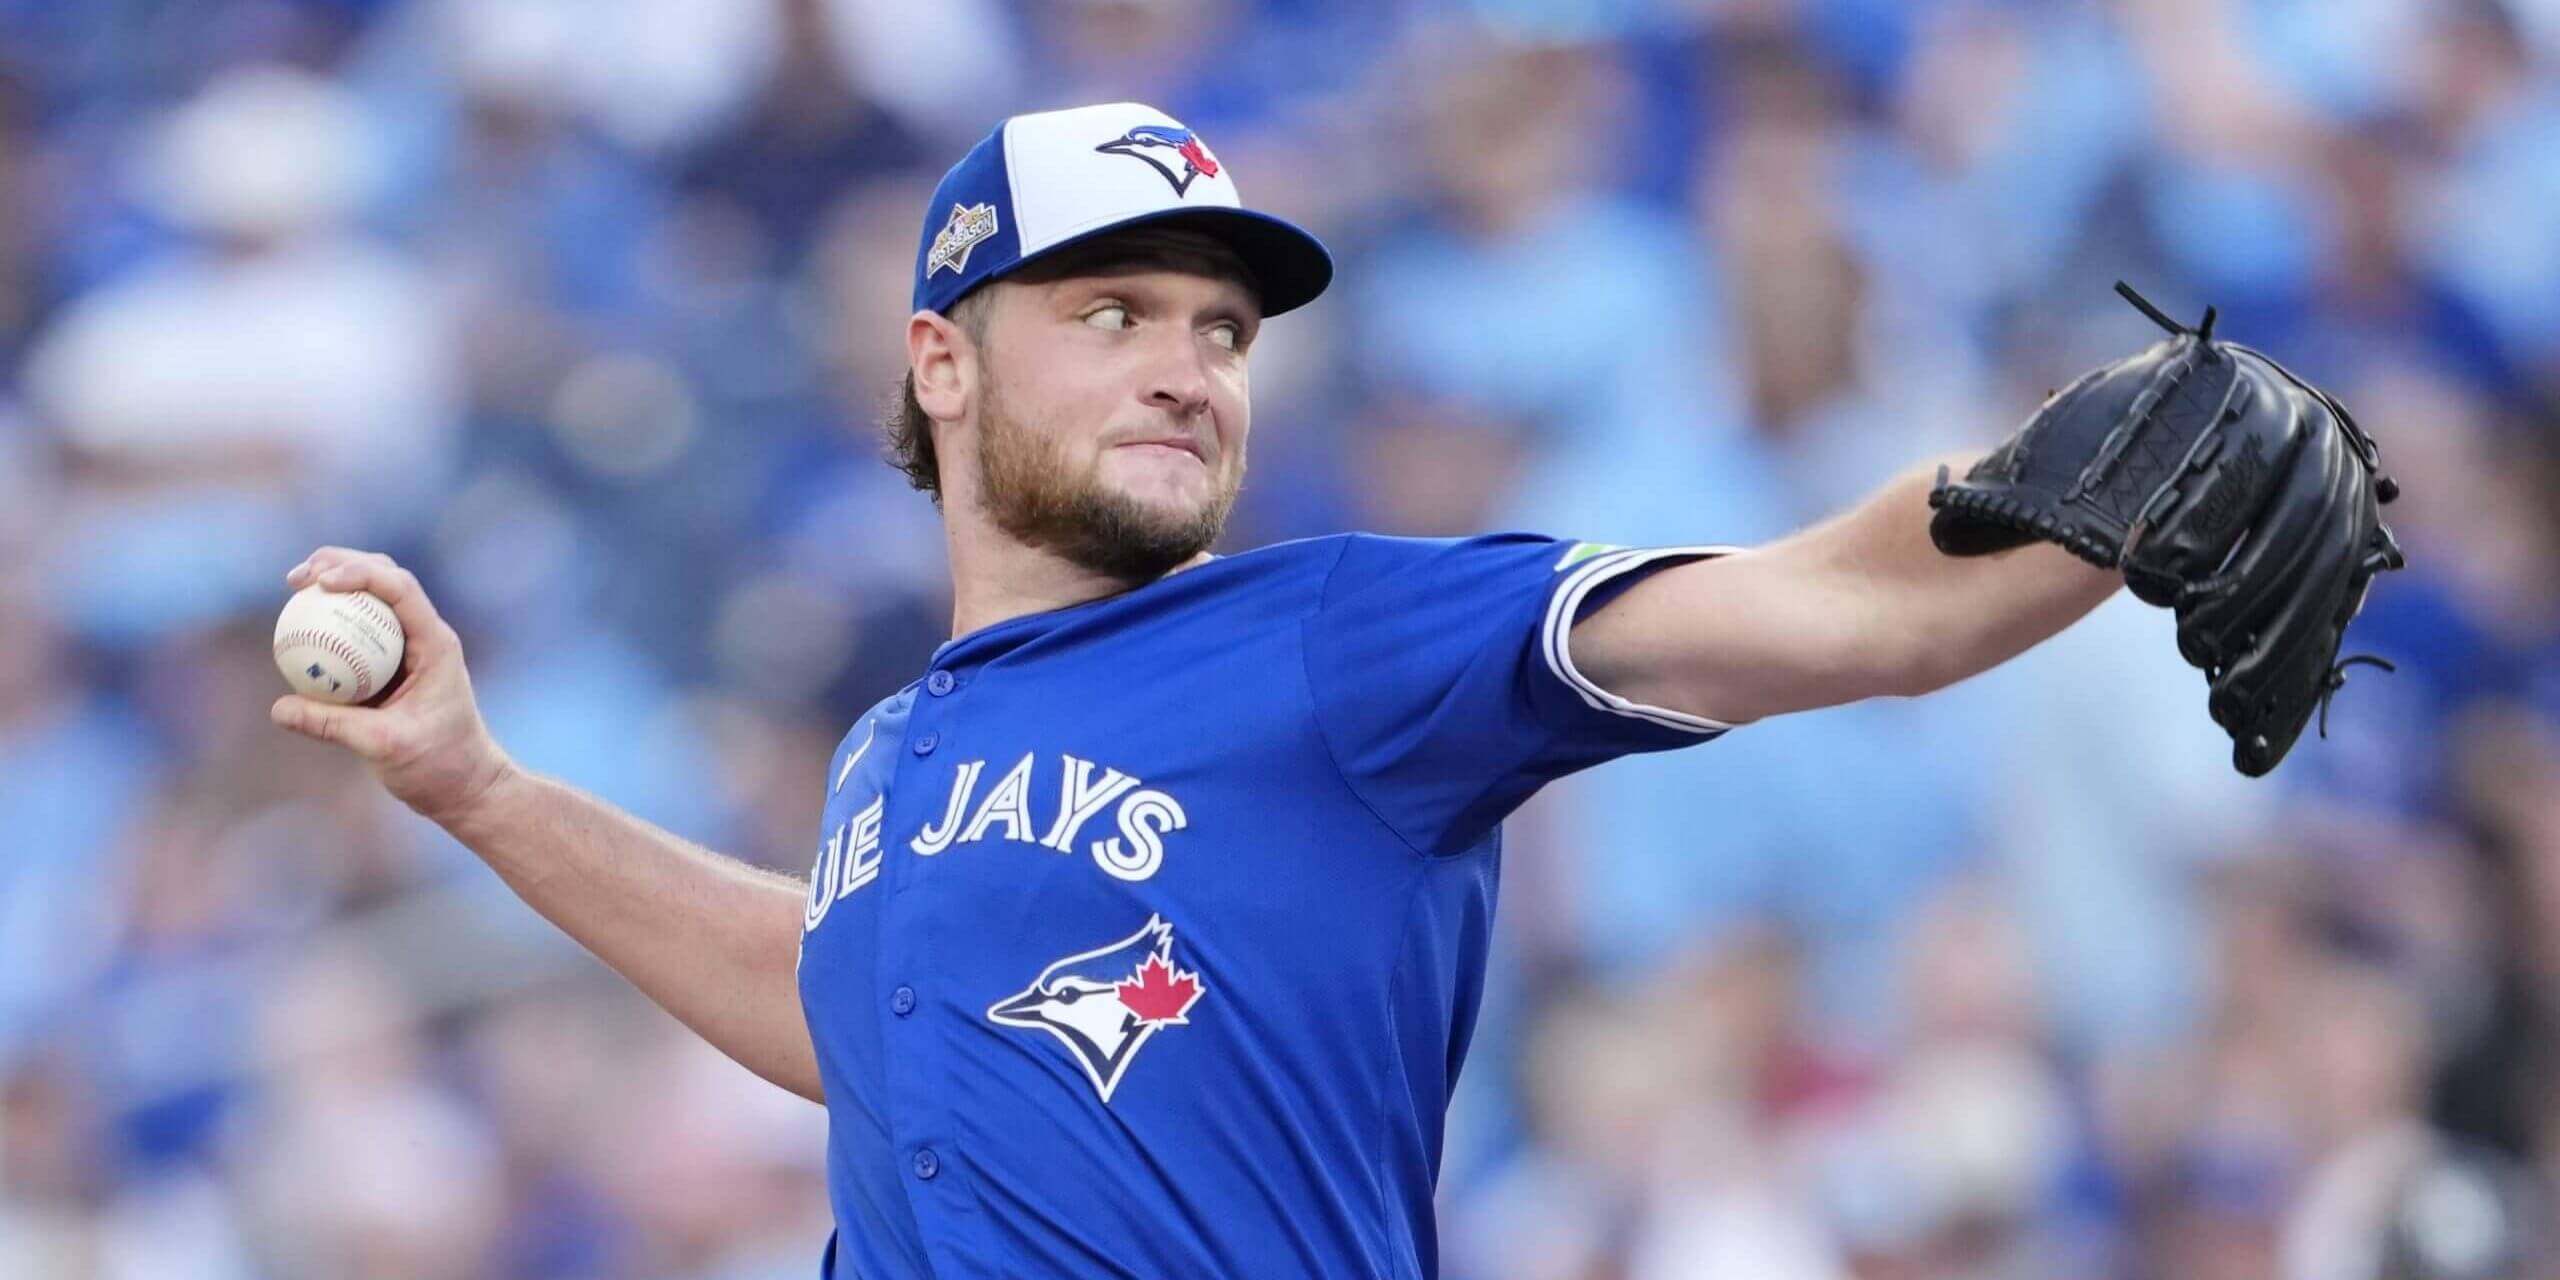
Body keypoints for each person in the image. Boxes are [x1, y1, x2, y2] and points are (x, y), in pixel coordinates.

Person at [273, 103, 2124, 1278]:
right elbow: (859, 1011)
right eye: (1110, 314)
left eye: (1221, 329)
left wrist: (2114, 480)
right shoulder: (888, 754)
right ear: (940, 360)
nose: (1189, 367)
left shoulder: (1341, 642)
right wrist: (482, 793)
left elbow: (1851, 608)